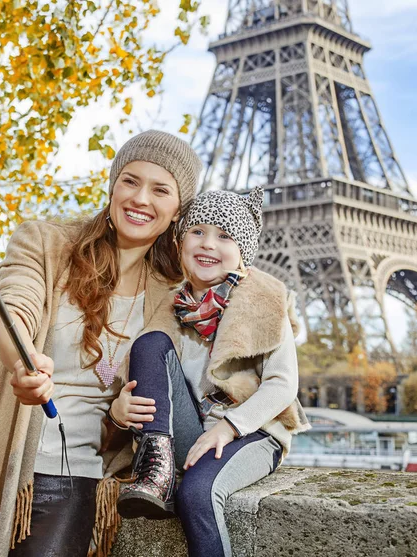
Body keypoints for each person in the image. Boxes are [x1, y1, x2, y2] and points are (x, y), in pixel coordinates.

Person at [0, 130, 202, 557]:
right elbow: (11, 307)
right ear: (112, 185)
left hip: (72, 473)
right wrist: (22, 359)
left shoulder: (171, 292)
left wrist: (120, 419)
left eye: (160, 189)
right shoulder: (46, 243)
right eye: (130, 180)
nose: (141, 198)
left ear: (178, 209)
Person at [109, 188, 311, 557]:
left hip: (251, 433)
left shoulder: (264, 301)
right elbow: (149, 378)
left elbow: (283, 384)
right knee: (149, 343)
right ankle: (158, 469)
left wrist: (230, 425)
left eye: (224, 236)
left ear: (242, 251)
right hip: (187, 435)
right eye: (197, 231)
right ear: (180, 241)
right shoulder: (169, 306)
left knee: (198, 492)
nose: (208, 244)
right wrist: (120, 412)